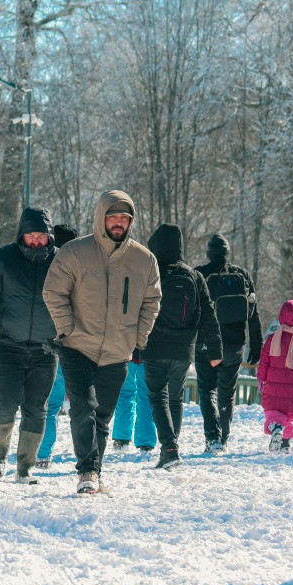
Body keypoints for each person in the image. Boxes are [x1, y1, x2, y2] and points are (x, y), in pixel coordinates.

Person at [42, 191, 161, 494]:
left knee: (103, 416)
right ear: (101, 218)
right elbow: (53, 291)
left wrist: (139, 338)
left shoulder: (144, 259)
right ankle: (87, 473)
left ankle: (94, 470)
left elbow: (152, 301)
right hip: (77, 346)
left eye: (125, 218)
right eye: (113, 217)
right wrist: (66, 330)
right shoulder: (74, 252)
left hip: (118, 350)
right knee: (83, 409)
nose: (119, 223)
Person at [0, 206, 60, 481]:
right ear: (21, 234)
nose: (36, 241)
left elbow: (76, 301)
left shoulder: (61, 261)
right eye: (31, 235)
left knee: (37, 408)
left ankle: (25, 467)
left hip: (46, 349)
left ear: (49, 236)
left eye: (41, 236)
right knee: (6, 404)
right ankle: (0, 453)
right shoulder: (3, 259)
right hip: (8, 344)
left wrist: (68, 339)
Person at [139, 224, 222, 469]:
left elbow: (135, 310)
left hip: (154, 345)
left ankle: (169, 448)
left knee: (158, 397)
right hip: (185, 347)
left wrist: (132, 345)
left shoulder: (150, 274)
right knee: (175, 399)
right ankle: (172, 446)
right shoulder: (194, 276)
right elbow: (208, 314)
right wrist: (215, 350)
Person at [194, 234, 263, 452]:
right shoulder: (242, 275)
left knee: (207, 390)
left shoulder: (200, 274)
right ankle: (223, 438)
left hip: (207, 343)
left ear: (209, 253)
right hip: (235, 345)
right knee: (227, 392)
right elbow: (253, 312)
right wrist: (256, 343)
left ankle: (212, 438)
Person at [35, 224, 82, 468]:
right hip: (78, 344)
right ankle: (86, 453)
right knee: (84, 405)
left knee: (48, 403)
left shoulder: (46, 269)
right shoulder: (83, 270)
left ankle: (42, 452)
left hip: (49, 342)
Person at [256, 300, 293, 453]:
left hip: (273, 388)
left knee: (274, 415)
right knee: (289, 417)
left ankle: (276, 428)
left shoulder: (271, 339)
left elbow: (264, 362)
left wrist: (261, 380)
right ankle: (285, 443)